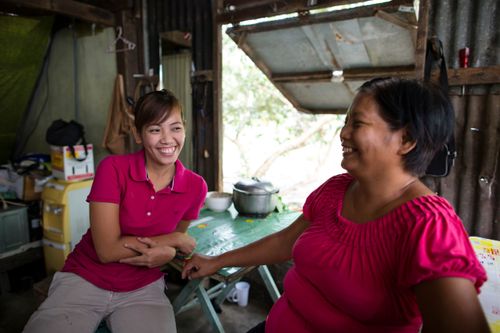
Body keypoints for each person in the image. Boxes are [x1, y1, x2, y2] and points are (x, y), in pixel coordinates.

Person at [182, 78, 490, 333]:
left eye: (357, 123)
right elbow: (285, 241)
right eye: (345, 122)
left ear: (406, 140)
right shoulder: (336, 190)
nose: (343, 133)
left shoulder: (428, 225)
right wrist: (217, 261)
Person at [24, 89, 207, 333]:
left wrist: (170, 249)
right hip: (86, 276)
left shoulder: (196, 187)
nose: (167, 139)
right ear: (138, 134)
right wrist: (174, 241)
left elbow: (172, 248)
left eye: (175, 128)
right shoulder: (113, 169)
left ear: (184, 129)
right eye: (155, 129)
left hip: (143, 285)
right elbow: (107, 250)